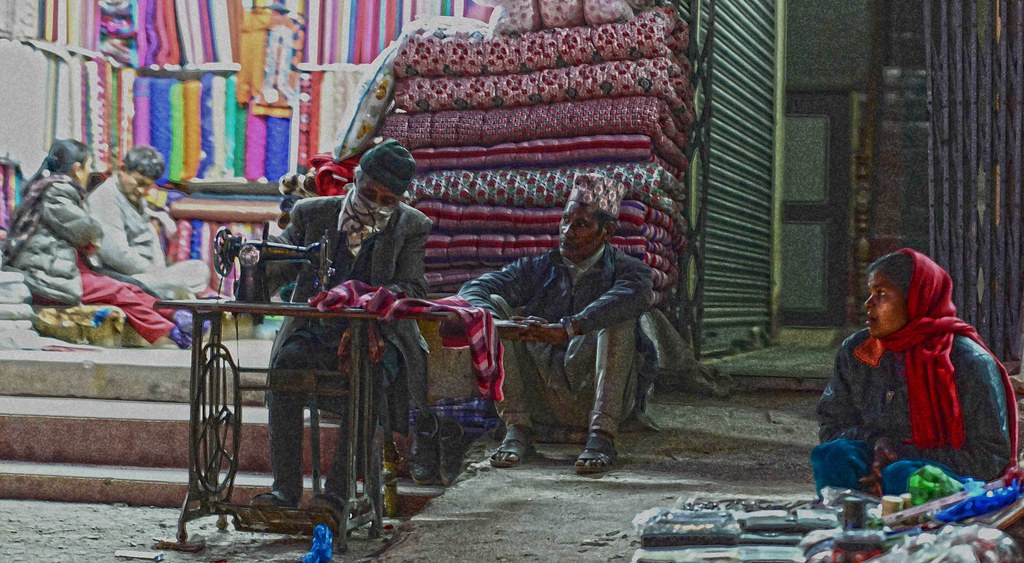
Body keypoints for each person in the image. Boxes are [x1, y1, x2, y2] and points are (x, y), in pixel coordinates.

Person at [250, 139, 436, 510]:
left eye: (388, 201)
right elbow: (278, 267)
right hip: (315, 330)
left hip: (379, 335)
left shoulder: (411, 226)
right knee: (284, 371)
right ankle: (284, 492)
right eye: (369, 193)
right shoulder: (311, 214)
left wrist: (365, 298)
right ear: (355, 179)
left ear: (399, 201)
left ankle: (337, 496)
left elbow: (414, 285)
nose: (376, 206)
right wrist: (252, 267)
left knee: (366, 379)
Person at [458, 173, 654, 477]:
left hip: (596, 397)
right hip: (543, 397)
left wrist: (570, 328)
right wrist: (506, 325)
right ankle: (518, 428)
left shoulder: (630, 271)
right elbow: (471, 290)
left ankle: (601, 437)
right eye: (564, 221)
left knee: (618, 317)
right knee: (491, 310)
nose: (567, 232)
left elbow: (636, 294)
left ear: (607, 232)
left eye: (581, 225)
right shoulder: (539, 267)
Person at [813, 249, 1018, 496]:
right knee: (833, 456)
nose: (869, 304)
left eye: (882, 294)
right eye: (870, 293)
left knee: (904, 475)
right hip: (875, 455)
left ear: (915, 299)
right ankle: (852, 518)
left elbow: (990, 455)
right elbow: (832, 425)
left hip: (942, 472)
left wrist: (900, 456)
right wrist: (878, 442)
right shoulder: (858, 352)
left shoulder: (969, 361)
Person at [1, 139, 191, 348]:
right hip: (48, 275)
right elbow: (87, 231)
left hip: (63, 268)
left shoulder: (48, 190)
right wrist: (92, 240)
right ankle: (169, 331)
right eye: (88, 166)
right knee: (119, 291)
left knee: (129, 287)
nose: (91, 172)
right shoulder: (56, 192)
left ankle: (175, 314)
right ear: (77, 169)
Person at [86, 146, 208, 299]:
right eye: (139, 182)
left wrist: (160, 271)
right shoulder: (105, 197)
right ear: (123, 170)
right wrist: (155, 273)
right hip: (121, 277)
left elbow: (150, 238)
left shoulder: (134, 196)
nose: (143, 191)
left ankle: (169, 290)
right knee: (172, 285)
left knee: (200, 269)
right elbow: (115, 254)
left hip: (149, 274)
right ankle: (169, 291)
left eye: (148, 186)